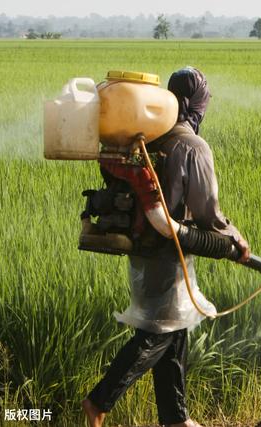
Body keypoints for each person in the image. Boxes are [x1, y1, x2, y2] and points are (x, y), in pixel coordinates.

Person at [82, 66, 250, 427]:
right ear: (198, 103)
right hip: (166, 246)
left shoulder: (149, 136)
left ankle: (176, 419)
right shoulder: (191, 145)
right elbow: (208, 214)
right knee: (159, 333)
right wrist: (233, 240)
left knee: (174, 326)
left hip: (143, 244)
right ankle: (99, 400)